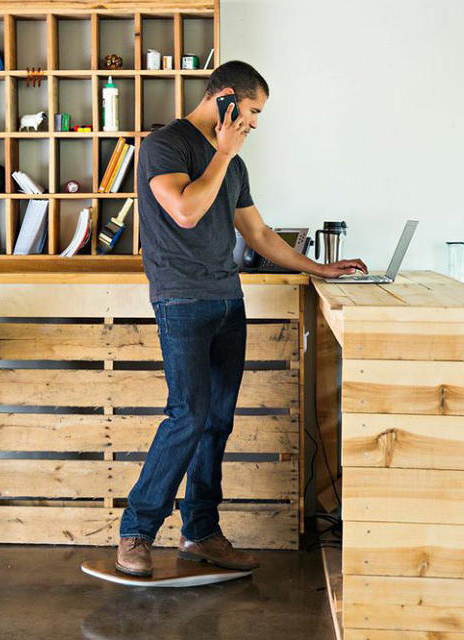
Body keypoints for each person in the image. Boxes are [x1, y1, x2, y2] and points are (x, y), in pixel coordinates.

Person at [117, 60, 367, 576]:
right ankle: (136, 532)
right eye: (251, 111)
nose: (253, 124)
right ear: (225, 97)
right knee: (187, 415)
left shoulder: (234, 163)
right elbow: (185, 209)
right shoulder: (164, 144)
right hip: (181, 299)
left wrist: (321, 267)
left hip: (228, 300)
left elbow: (258, 234)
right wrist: (224, 154)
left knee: (216, 423)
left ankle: (201, 533)